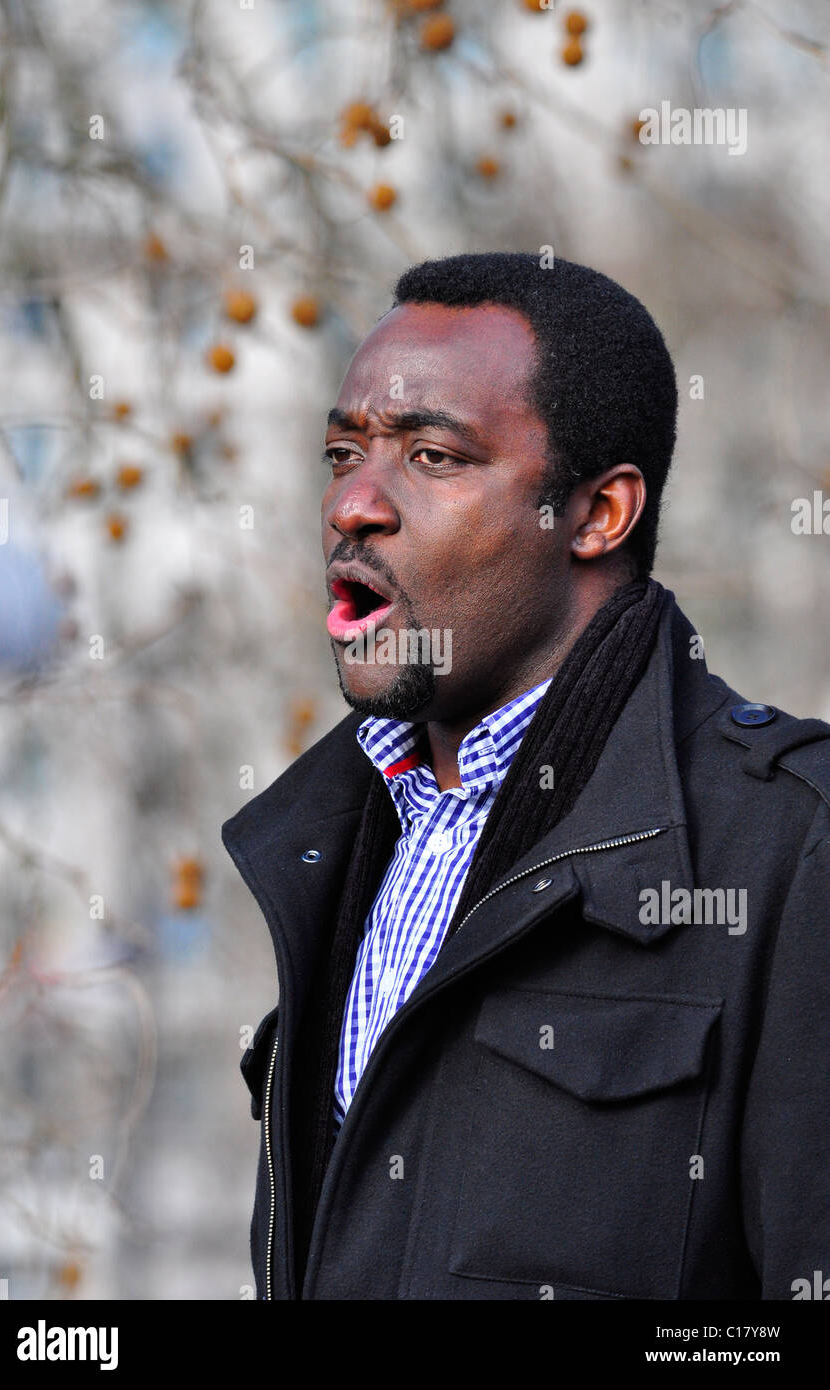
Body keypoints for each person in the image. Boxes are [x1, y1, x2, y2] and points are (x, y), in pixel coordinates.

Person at [223, 252, 830, 1300]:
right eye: (341, 451)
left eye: (430, 456)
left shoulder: (791, 848)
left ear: (596, 514)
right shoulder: (320, 845)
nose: (353, 504)